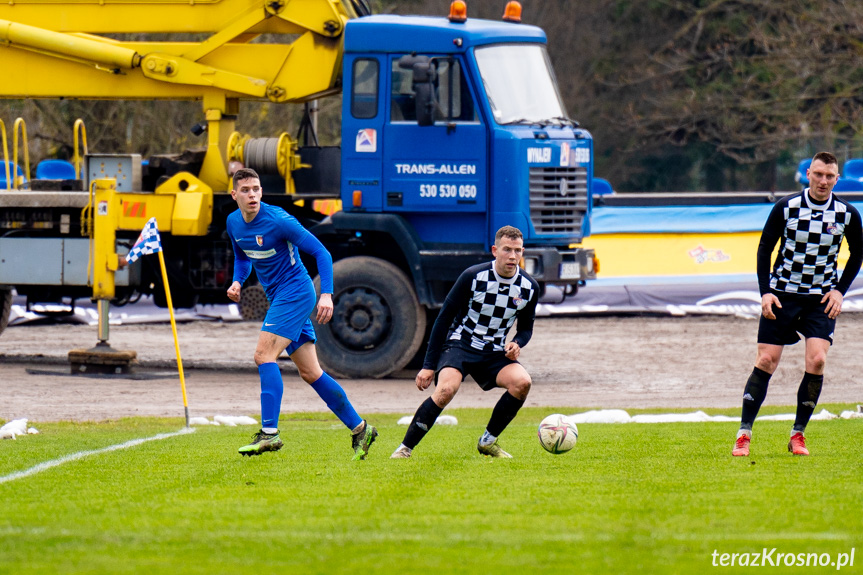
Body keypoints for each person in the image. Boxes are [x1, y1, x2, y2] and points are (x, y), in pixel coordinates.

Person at [226, 168, 377, 460]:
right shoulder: (234, 223)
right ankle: (361, 429)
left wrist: (327, 295)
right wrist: (237, 281)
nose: (252, 195)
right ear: (234, 195)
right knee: (311, 372)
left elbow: (322, 253)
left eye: (256, 189)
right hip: (278, 297)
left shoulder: (278, 220)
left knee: (263, 355)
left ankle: (269, 433)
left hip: (295, 292)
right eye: (245, 190)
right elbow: (243, 257)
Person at [732, 151, 862, 457]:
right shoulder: (787, 206)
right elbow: (765, 248)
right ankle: (744, 433)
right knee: (766, 361)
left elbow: (857, 254)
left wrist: (840, 291)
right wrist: (766, 292)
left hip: (820, 300)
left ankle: (798, 434)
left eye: (830, 176)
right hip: (783, 294)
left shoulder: (846, 214)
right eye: (818, 174)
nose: (823, 181)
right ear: (808, 174)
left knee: (817, 361)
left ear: (837, 179)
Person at [391, 225, 539, 459]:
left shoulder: (529, 287)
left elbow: (526, 329)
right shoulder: (473, 276)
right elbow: (443, 320)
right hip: (462, 343)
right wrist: (428, 366)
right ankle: (404, 449)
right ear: (494, 250)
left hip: (494, 351)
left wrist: (517, 343)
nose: (513, 256)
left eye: (518, 250)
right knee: (446, 390)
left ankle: (488, 442)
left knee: (523, 383)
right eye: (507, 250)